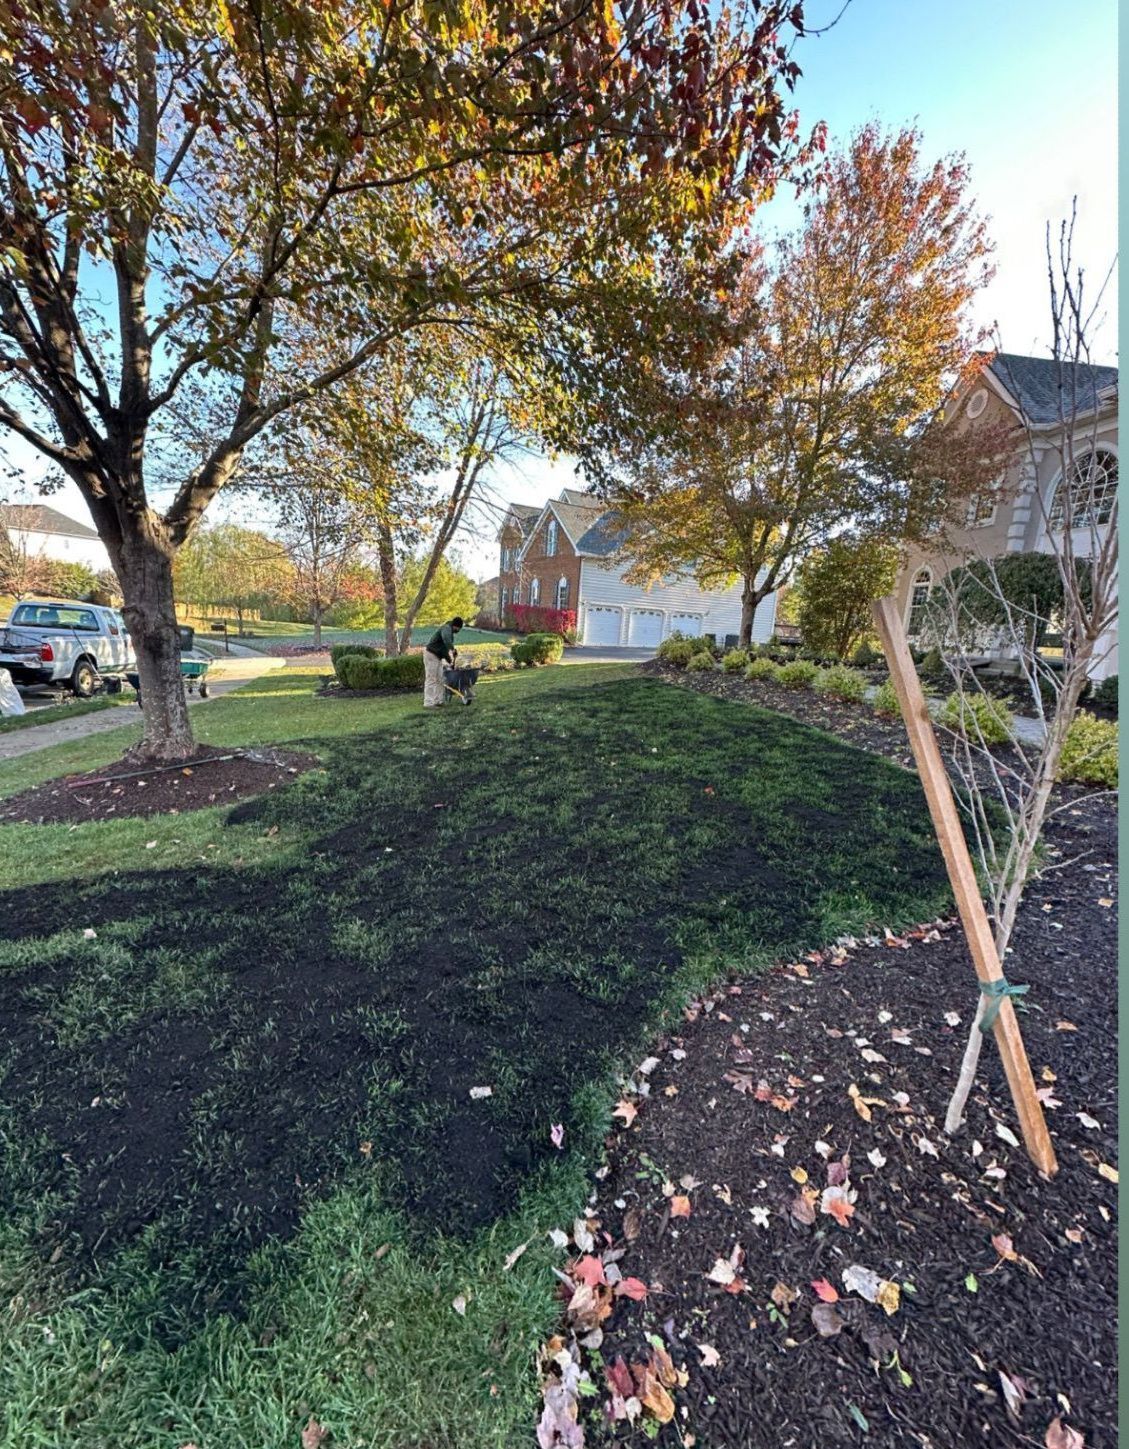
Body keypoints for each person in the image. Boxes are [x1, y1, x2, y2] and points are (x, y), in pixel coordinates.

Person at [423, 616, 464, 706]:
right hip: (431, 654)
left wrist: (450, 661)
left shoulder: (450, 631)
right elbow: (446, 640)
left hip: (437, 656)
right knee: (431, 679)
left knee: (440, 679)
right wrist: (453, 649)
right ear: (456, 626)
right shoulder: (446, 628)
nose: (458, 631)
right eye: (459, 628)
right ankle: (428, 703)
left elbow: (444, 651)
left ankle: (438, 701)